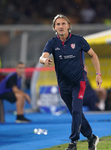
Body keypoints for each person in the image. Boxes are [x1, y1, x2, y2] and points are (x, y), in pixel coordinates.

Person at [39, 14, 102, 150]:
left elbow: (93, 55)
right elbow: (42, 57)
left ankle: (73, 142)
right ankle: (91, 138)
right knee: (75, 112)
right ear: (54, 27)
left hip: (79, 81)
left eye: (63, 23)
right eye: (58, 24)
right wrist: (45, 61)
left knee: (76, 111)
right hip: (63, 84)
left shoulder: (79, 40)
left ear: (68, 26)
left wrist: (98, 74)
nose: (61, 26)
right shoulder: (52, 43)